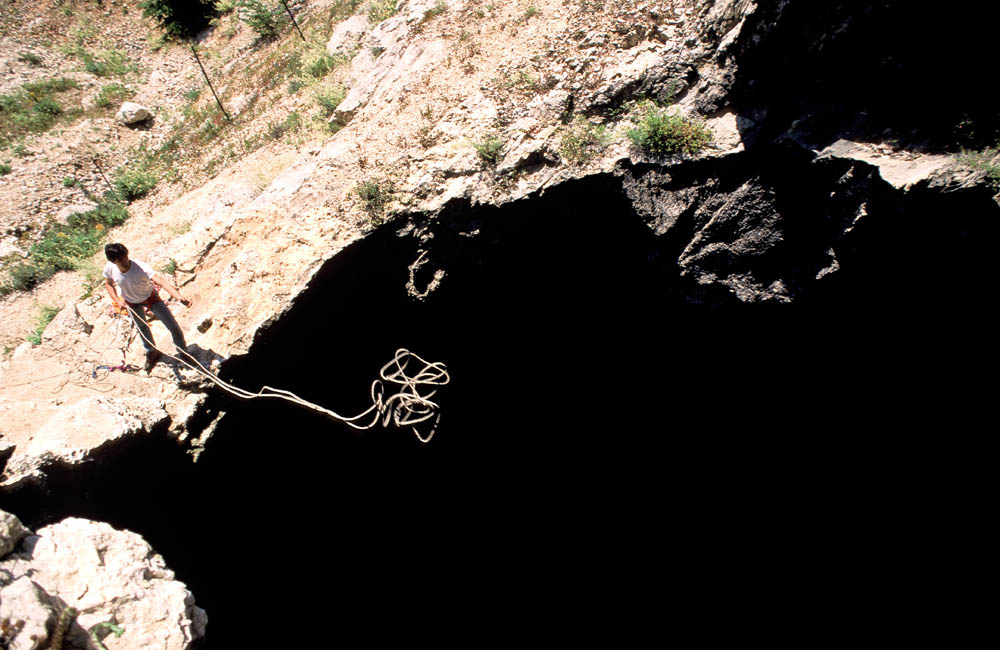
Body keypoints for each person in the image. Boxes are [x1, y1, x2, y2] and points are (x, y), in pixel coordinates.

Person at [103, 242, 192, 372]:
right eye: (121, 260)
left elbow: (161, 282)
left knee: (173, 327)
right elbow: (108, 284)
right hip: (131, 303)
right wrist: (117, 300)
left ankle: (183, 352)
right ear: (114, 261)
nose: (126, 261)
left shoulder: (140, 267)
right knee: (142, 328)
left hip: (151, 299)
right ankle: (152, 351)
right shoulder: (110, 268)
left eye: (125, 256)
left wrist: (179, 297)